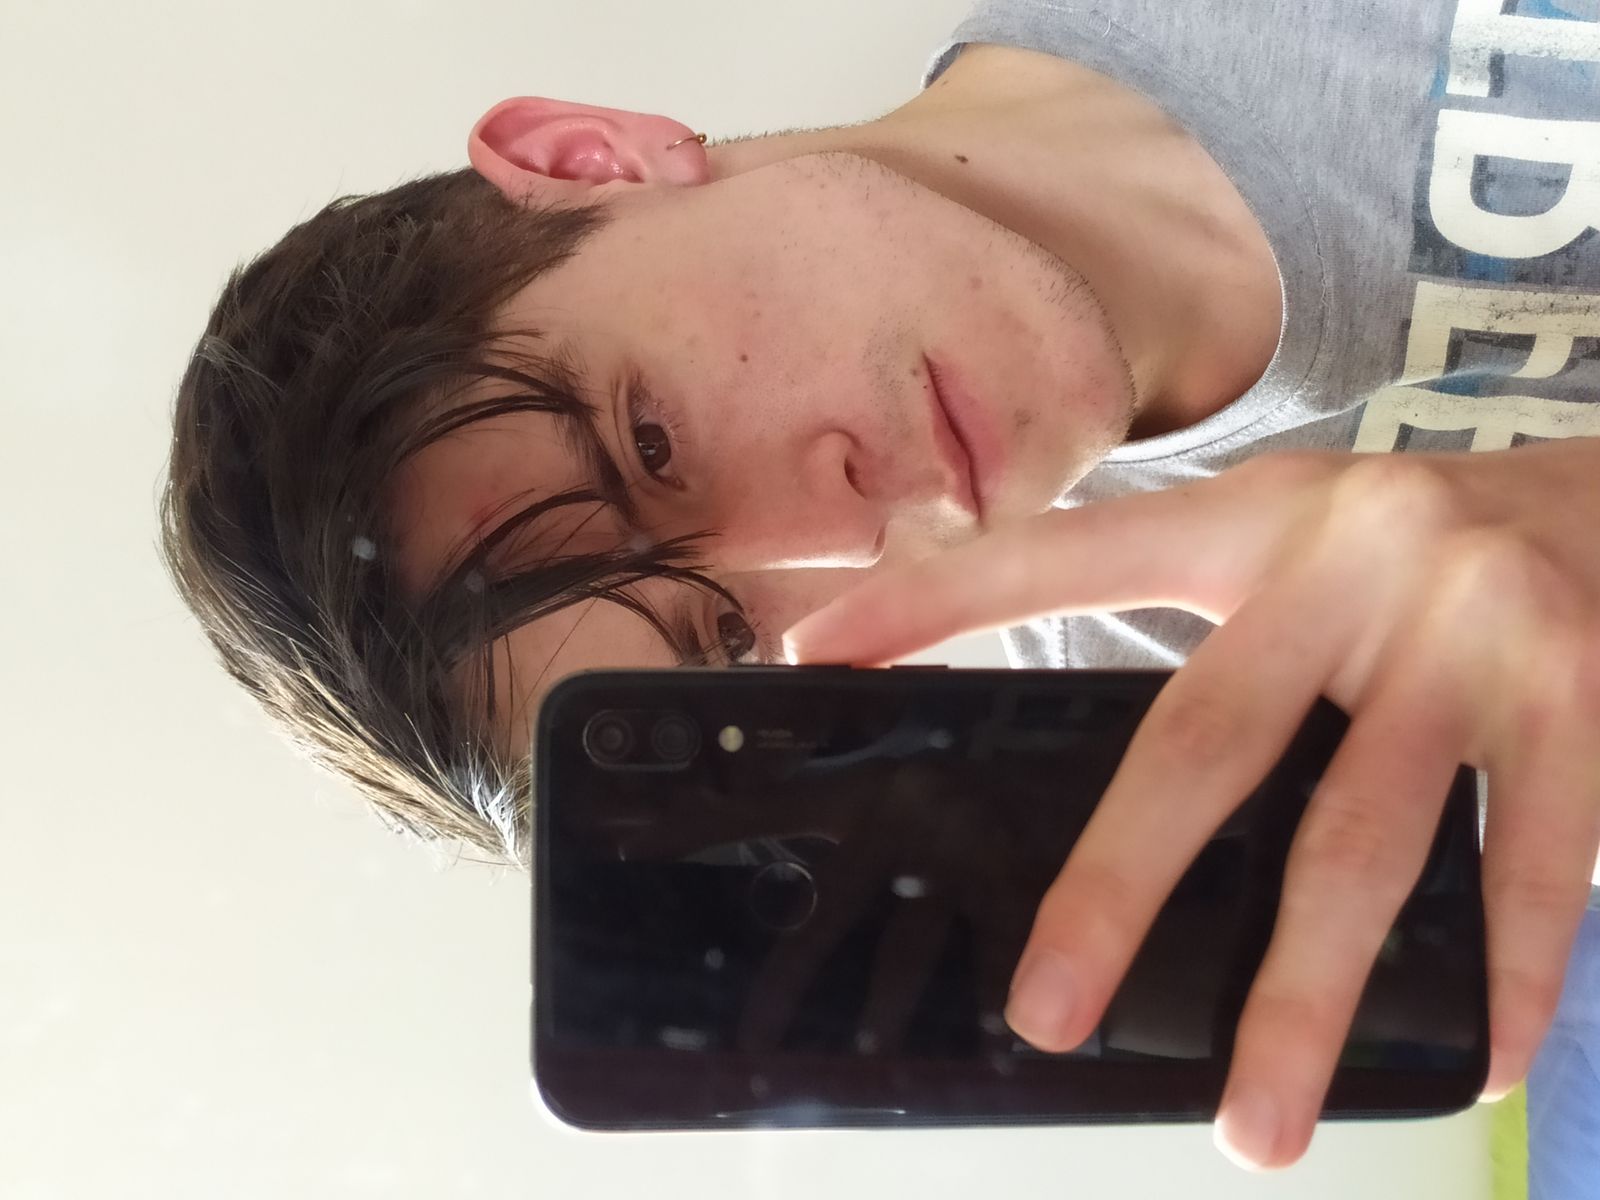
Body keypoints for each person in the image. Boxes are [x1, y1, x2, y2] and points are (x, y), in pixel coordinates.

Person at [159, 0, 1600, 1178]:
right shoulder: (1177, 725)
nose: (840, 541)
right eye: (731, 638)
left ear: (590, 157)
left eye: (650, 445)